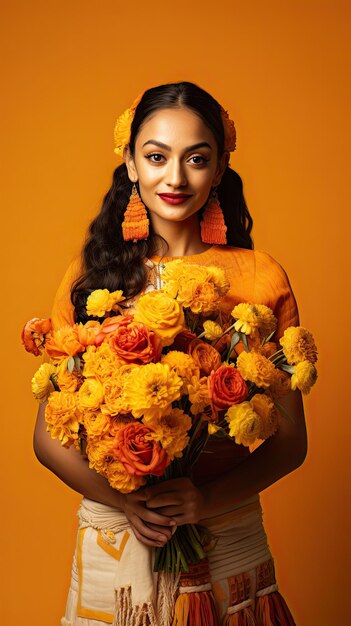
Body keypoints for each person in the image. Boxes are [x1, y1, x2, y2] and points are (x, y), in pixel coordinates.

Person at [33, 81, 307, 626]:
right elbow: (46, 437)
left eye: (196, 159)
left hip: (225, 535)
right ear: (131, 164)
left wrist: (203, 503)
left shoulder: (258, 277)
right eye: (157, 157)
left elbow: (291, 444)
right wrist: (129, 503)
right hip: (116, 541)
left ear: (221, 167)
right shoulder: (90, 279)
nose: (175, 178)